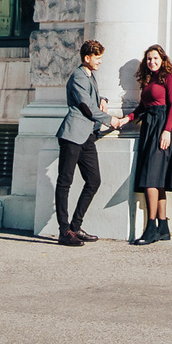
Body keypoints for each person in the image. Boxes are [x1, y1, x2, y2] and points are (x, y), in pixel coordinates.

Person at [53, 38, 125, 246]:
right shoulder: (78, 76)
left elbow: (91, 97)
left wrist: (104, 100)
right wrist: (109, 119)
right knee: (64, 182)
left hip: (87, 136)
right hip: (72, 135)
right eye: (98, 57)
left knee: (94, 180)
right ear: (87, 58)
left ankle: (76, 226)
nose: (100, 61)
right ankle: (64, 231)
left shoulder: (89, 75)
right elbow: (85, 106)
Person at [128, 43, 172, 244]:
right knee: (156, 179)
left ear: (162, 60)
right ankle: (163, 227)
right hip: (149, 128)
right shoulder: (148, 80)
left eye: (155, 58)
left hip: (162, 128)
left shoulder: (168, 78)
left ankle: (151, 228)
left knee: (152, 178)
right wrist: (128, 118)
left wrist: (167, 130)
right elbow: (142, 107)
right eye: (149, 59)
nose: (152, 62)